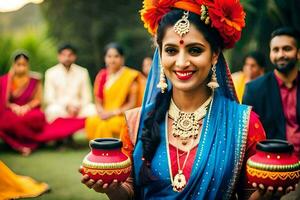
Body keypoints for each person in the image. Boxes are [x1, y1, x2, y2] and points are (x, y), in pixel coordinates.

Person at [81, 1, 296, 199]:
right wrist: (112, 188)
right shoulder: (136, 122)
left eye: (194, 50)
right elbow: (129, 192)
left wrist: (268, 194)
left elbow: (249, 194)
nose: (182, 62)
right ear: (160, 54)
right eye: (171, 50)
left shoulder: (244, 123)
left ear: (214, 55)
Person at [0, 52, 86, 155]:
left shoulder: (34, 79)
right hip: (12, 110)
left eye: (24, 65)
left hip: (29, 109)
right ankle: (20, 145)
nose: (21, 68)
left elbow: (38, 100)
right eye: (19, 64)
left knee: (37, 116)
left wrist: (26, 107)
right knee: (9, 121)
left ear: (28, 65)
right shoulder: (5, 80)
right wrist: (14, 106)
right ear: (14, 65)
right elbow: (4, 101)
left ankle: (34, 142)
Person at [243, 27, 300, 159]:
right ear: (270, 54)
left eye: (287, 49)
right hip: (271, 168)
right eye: (276, 50)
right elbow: (248, 139)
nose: (281, 54)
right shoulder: (254, 90)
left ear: (298, 53)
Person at [85, 43, 145, 140]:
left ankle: (108, 151)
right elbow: (98, 99)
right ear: (105, 58)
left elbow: (132, 104)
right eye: (109, 56)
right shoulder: (102, 75)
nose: (112, 60)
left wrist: (112, 113)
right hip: (105, 114)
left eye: (116, 56)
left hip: (122, 116)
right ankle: (98, 151)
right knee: (91, 121)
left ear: (122, 59)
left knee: (106, 125)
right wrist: (101, 112)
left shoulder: (130, 77)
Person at [44, 44, 96, 122]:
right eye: (64, 55)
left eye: (70, 55)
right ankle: (61, 133)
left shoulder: (82, 72)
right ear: (59, 56)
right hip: (60, 108)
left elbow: (87, 96)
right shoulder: (51, 73)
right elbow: (49, 97)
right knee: (52, 110)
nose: (67, 58)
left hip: (79, 108)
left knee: (92, 110)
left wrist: (77, 107)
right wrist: (67, 106)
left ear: (75, 57)